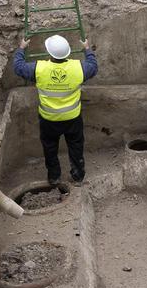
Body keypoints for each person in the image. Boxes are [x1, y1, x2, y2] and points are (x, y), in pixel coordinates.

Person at [13, 34, 99, 189]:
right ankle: (78, 176)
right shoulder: (78, 68)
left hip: (49, 119)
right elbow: (93, 66)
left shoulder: (39, 69)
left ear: (49, 53)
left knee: (50, 148)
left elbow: (18, 67)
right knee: (76, 147)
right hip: (72, 118)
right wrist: (87, 49)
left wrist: (21, 49)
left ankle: (54, 177)